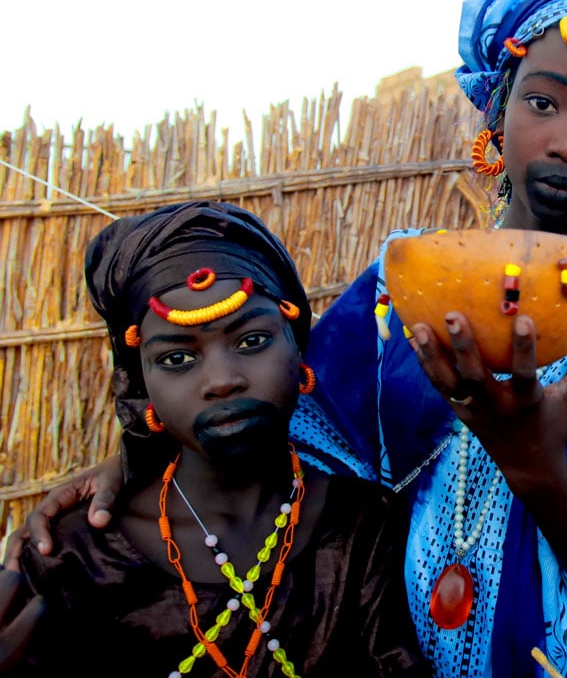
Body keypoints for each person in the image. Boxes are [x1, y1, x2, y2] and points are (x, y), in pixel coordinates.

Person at [10, 0, 567, 678]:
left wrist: (535, 465)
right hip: (376, 650)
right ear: (497, 105)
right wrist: (134, 461)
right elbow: (272, 423)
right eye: (542, 102)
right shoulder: (401, 283)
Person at [4, 201, 430, 677]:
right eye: (176, 360)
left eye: (252, 341)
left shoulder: (362, 527)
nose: (223, 380)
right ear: (140, 384)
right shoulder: (74, 557)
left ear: (298, 343)